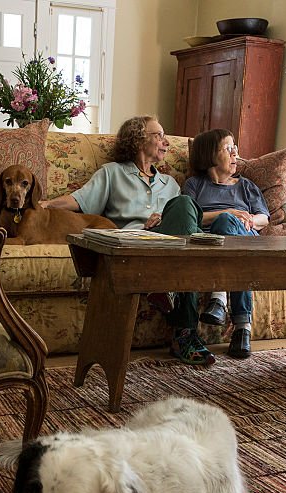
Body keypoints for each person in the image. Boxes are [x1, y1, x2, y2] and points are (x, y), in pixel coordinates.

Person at [40, 115, 215, 366]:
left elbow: (187, 223)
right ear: (139, 139)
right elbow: (80, 200)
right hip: (134, 243)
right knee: (185, 247)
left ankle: (165, 288)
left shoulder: (171, 184)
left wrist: (165, 216)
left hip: (169, 243)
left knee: (186, 207)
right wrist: (46, 204)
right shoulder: (112, 173)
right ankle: (184, 334)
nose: (166, 142)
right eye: (159, 135)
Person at [182, 129, 269, 359]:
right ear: (211, 154)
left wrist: (249, 219)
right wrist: (227, 212)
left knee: (233, 235)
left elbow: (263, 218)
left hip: (244, 238)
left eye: (236, 150)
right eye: (229, 149)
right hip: (208, 242)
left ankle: (219, 298)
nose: (235, 155)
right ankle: (242, 329)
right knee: (225, 221)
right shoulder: (194, 185)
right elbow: (190, 217)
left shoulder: (246, 186)